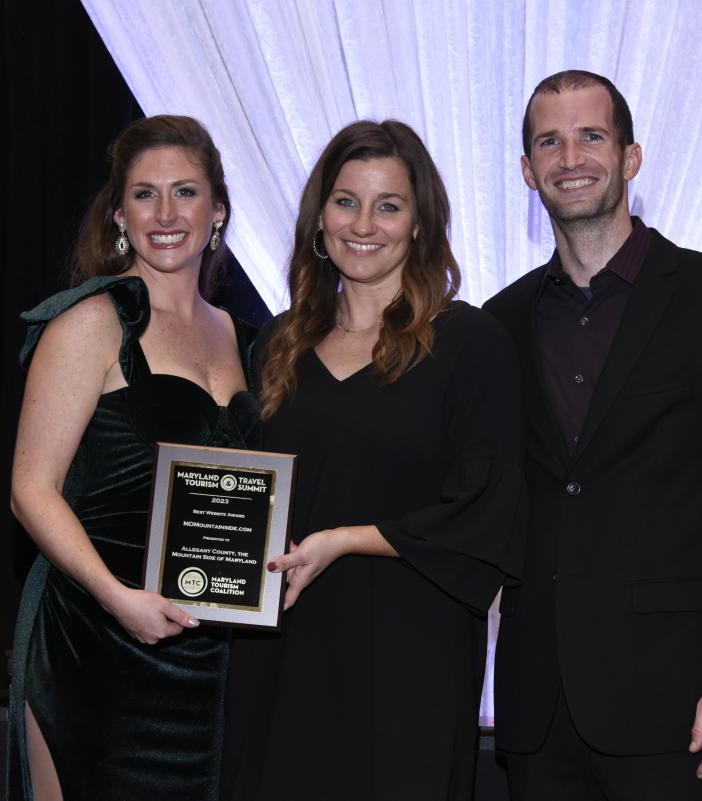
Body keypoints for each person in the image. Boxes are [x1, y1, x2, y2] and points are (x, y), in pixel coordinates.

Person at [483, 70, 702, 800]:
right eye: (549, 142)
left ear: (630, 157)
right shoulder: (497, 324)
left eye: (591, 136)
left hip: (684, 707)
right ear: (527, 171)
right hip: (540, 714)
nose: (571, 158)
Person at [222, 120, 526, 801]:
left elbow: (487, 508)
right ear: (319, 220)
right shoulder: (277, 343)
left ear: (419, 224)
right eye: (346, 201)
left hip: (406, 667)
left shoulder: (469, 344)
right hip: (281, 657)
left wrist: (343, 541)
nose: (365, 223)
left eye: (388, 205)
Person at [6, 115, 261, 801]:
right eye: (145, 195)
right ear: (119, 214)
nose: (167, 213)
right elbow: (32, 488)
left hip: (208, 658)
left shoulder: (248, 338)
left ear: (218, 211)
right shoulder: (91, 321)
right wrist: (117, 598)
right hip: (98, 640)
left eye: (186, 192)